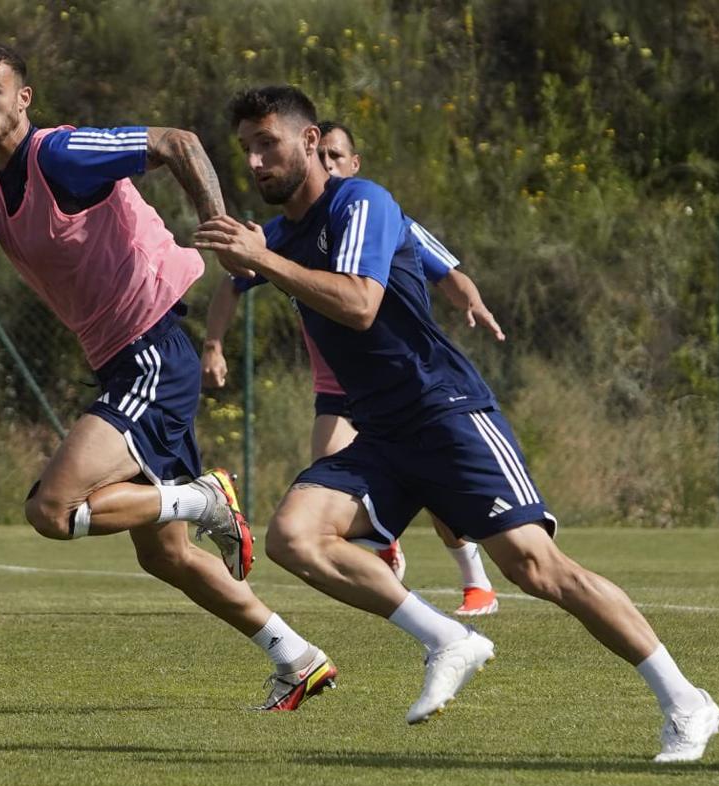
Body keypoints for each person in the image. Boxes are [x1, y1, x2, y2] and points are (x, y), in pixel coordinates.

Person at [193, 85, 719, 760]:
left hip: (446, 414)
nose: (256, 161)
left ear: (309, 140)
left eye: (267, 143)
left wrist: (262, 258)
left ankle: (686, 701)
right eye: (246, 149)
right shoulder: (282, 234)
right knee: (294, 536)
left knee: (538, 569)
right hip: (381, 433)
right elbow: (234, 272)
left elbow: (358, 304)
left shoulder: (361, 202)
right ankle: (447, 637)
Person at [0, 45, 337, 710]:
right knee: (165, 557)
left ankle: (203, 500)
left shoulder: (61, 153)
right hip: (120, 358)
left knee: (51, 510)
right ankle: (297, 657)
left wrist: (217, 226)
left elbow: (178, 142)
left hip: (153, 350)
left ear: (23, 98)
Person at [201, 119, 504, 617]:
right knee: (330, 484)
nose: (330, 165)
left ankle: (475, 581)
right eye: (327, 157)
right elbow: (234, 283)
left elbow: (444, 269)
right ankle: (388, 561)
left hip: (405, 385)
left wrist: (469, 298)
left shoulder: (374, 211)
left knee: (436, 488)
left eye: (338, 157)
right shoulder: (288, 232)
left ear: (349, 162)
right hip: (338, 390)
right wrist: (213, 344)